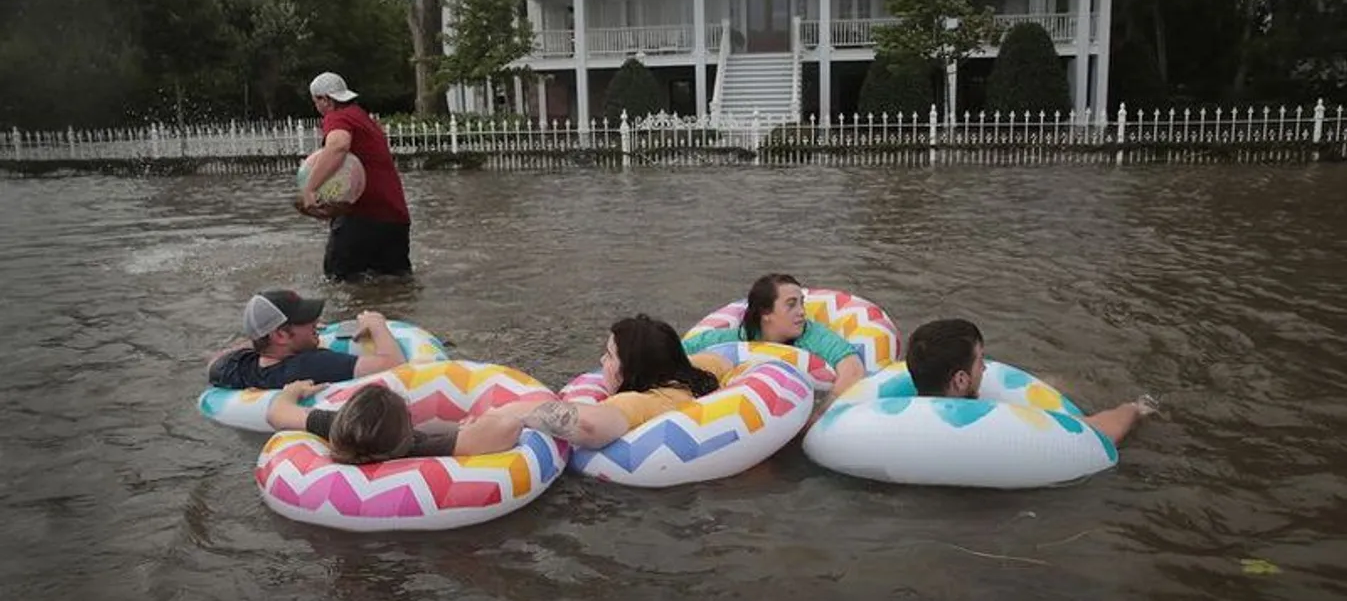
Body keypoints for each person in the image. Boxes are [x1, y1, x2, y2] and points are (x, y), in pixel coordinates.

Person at [482, 315, 733, 449]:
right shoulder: (707, 368)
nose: (602, 360)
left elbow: (589, 426)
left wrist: (511, 412)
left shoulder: (643, 403)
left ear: (632, 369)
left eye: (610, 355)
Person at [904, 318, 1156, 445]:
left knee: (1053, 382)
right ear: (960, 380)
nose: (985, 367)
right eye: (980, 360)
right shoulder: (996, 425)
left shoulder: (897, 420)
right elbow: (1097, 434)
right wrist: (1134, 408)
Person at [682, 274, 866, 424]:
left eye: (802, 303)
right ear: (766, 313)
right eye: (791, 304)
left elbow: (853, 369)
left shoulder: (812, 335)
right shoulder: (736, 339)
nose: (801, 311)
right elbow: (679, 351)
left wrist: (817, 416)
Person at [299, 71, 412, 282]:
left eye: (316, 101)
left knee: (338, 283)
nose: (317, 107)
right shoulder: (363, 119)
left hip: (362, 216)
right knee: (396, 285)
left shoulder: (337, 117)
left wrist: (310, 188)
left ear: (326, 100)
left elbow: (339, 146)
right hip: (395, 218)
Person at [264, 380, 525, 463]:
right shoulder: (418, 446)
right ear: (406, 433)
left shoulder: (337, 427)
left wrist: (291, 390)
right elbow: (509, 426)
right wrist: (473, 426)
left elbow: (277, 413)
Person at [206, 290, 406, 390]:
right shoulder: (312, 364)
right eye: (306, 319)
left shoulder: (238, 367)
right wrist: (376, 323)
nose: (315, 321)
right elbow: (396, 366)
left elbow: (214, 363)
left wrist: (301, 332)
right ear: (281, 335)